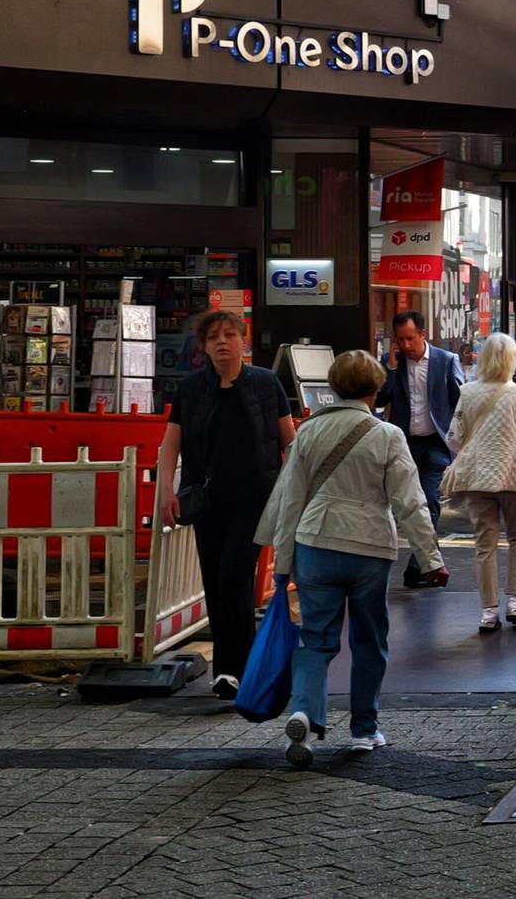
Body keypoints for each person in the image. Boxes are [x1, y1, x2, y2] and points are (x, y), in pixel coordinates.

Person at [268, 350, 446, 768]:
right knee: (369, 639)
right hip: (369, 548)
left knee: (317, 639)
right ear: (375, 388)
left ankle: (306, 715)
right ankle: (364, 730)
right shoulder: (387, 435)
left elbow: (289, 499)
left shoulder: (308, 432)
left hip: (316, 542)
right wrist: (431, 558)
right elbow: (411, 503)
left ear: (333, 386)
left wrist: (282, 560)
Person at [155, 310, 297, 701]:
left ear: (243, 341)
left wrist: (294, 491)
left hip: (255, 498)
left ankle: (230, 671)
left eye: (230, 334)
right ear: (203, 346)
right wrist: (167, 490)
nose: (222, 341)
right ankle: (238, 669)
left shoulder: (266, 385)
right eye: (214, 336)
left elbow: (289, 441)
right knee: (216, 583)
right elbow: (171, 444)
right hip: (207, 501)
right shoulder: (191, 389)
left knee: (234, 577)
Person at [442, 333, 516, 632]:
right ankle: (515, 603)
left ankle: (489, 612)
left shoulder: (467, 392)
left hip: (479, 475)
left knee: (485, 543)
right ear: (511, 360)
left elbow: (453, 439)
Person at [377, 310, 462, 589]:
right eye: (400, 339)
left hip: (435, 443)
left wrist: (459, 443)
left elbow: (460, 402)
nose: (405, 345)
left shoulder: (446, 361)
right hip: (403, 443)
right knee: (402, 505)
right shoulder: (393, 364)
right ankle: (422, 565)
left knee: (429, 502)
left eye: (410, 338)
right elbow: (379, 399)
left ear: (423, 335)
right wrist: (389, 368)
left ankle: (418, 565)